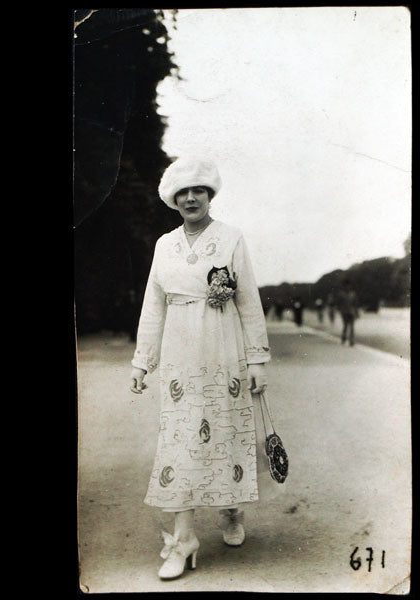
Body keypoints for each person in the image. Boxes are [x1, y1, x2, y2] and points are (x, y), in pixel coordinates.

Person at [129, 157, 276, 580]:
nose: (191, 198)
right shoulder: (164, 245)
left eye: (199, 191)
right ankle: (184, 538)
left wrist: (257, 360)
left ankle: (230, 510)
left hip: (224, 350)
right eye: (182, 193)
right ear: (172, 200)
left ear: (210, 195)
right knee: (180, 439)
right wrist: (143, 361)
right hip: (179, 354)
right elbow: (153, 305)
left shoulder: (231, 238)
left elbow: (248, 301)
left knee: (225, 434)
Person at [336, 280, 359, 346]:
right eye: (347, 286)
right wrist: (339, 310)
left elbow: (355, 304)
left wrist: (357, 312)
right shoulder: (341, 294)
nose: (348, 287)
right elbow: (339, 303)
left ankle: (351, 340)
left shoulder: (353, 294)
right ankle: (344, 337)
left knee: (352, 326)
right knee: (345, 325)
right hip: (344, 312)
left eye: (349, 286)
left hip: (351, 312)